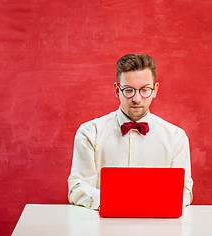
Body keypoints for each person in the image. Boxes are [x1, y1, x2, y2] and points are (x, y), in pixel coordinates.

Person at [67, 54, 193, 210]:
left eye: (145, 90)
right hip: (102, 229)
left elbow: (184, 191)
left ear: (155, 90)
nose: (137, 98)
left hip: (158, 229)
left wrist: (145, 203)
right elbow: (78, 187)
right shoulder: (89, 133)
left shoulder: (176, 137)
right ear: (116, 90)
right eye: (128, 90)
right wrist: (119, 202)